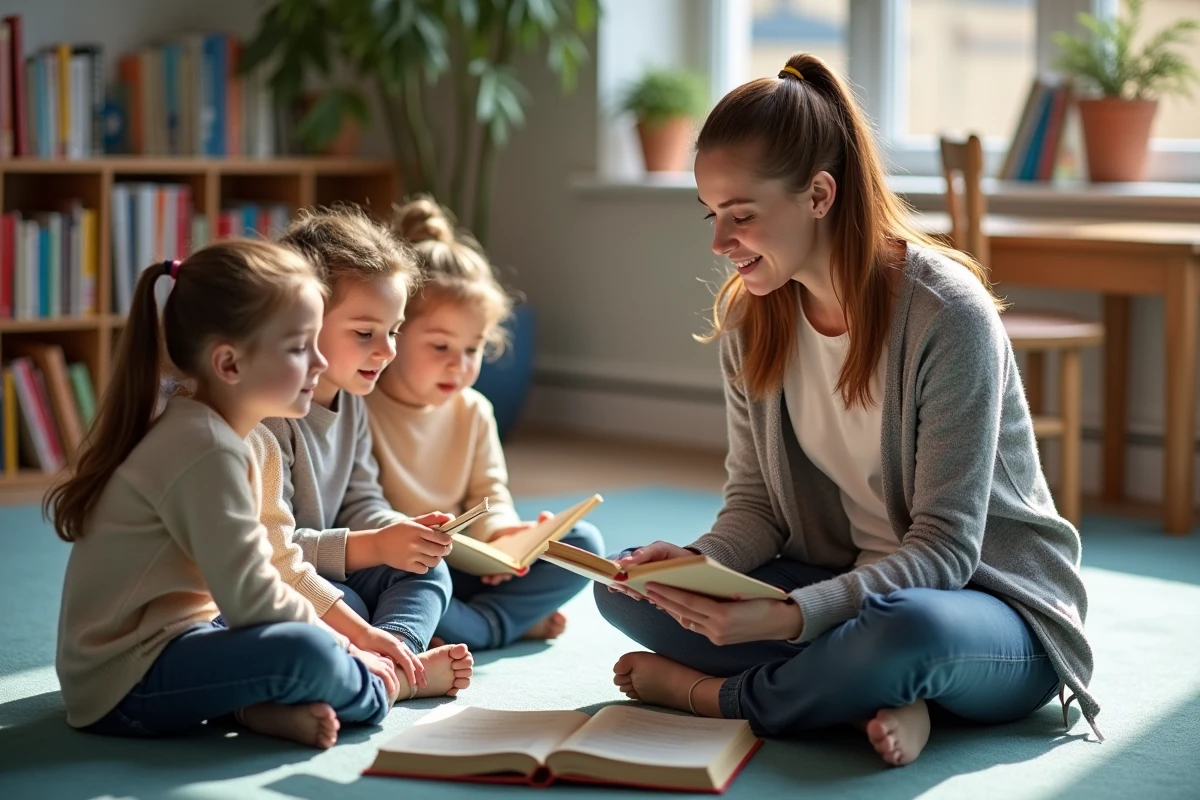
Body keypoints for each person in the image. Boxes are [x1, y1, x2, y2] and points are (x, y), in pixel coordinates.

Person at [593, 53, 1100, 767]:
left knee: (904, 633)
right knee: (629, 590)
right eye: (711, 215)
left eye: (741, 215)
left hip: (984, 606)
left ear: (820, 195)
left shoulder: (946, 314)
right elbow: (757, 507)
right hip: (842, 592)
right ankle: (880, 692)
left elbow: (949, 551)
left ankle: (722, 698)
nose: (718, 242)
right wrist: (701, 563)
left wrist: (795, 617)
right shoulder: (751, 320)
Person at [49, 241, 398, 749]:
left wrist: (360, 636)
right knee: (307, 652)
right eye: (300, 347)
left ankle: (253, 706)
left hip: (189, 637)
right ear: (229, 364)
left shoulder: (254, 439)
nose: (321, 362)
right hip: (123, 683)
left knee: (307, 635)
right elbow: (253, 601)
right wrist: (346, 650)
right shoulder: (204, 448)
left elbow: (281, 562)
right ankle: (394, 685)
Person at [365, 196, 605, 650]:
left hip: (468, 569)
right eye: (440, 347)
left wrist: (504, 538)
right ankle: (501, 625)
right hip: (407, 569)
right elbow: (361, 509)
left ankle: (480, 625)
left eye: (473, 349)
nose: (459, 365)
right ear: (394, 333)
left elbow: (489, 495)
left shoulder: (473, 410)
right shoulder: (361, 406)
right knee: (373, 586)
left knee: (583, 543)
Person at [257, 206, 473, 698]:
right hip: (298, 576)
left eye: (393, 331)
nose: (388, 351)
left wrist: (401, 532)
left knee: (427, 570)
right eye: (364, 333)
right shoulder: (268, 416)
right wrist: (373, 546)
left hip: (339, 566)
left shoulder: (353, 401)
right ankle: (392, 670)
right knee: (342, 599)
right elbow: (272, 554)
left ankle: (394, 661)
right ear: (300, 321)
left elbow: (361, 498)